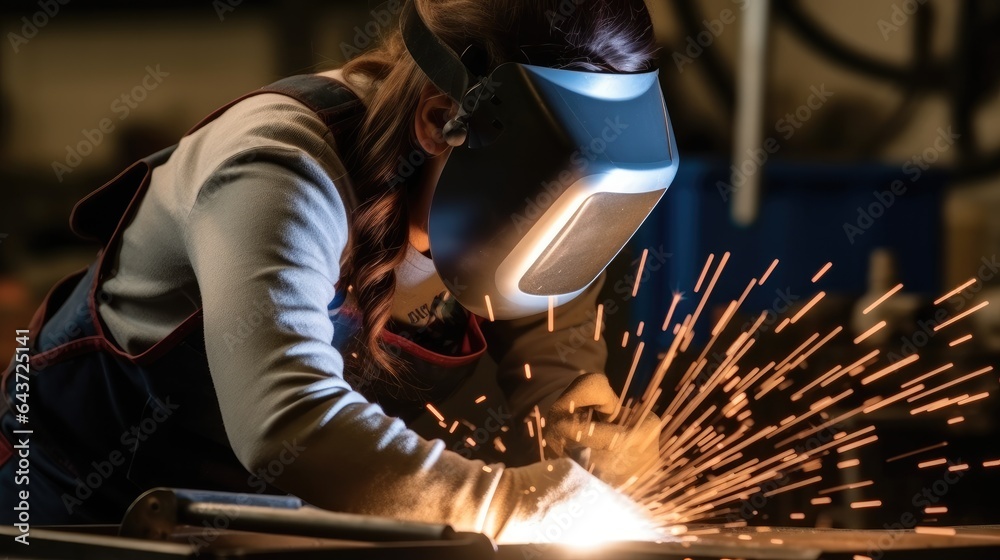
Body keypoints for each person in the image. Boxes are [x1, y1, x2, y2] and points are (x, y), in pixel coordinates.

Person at [1, 0, 677, 542]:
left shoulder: (537, 192)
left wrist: (578, 424)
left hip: (260, 526)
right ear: (444, 123)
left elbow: (550, 330)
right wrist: (515, 505)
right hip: (72, 511)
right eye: (542, 189)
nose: (553, 222)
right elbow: (289, 420)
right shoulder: (276, 167)